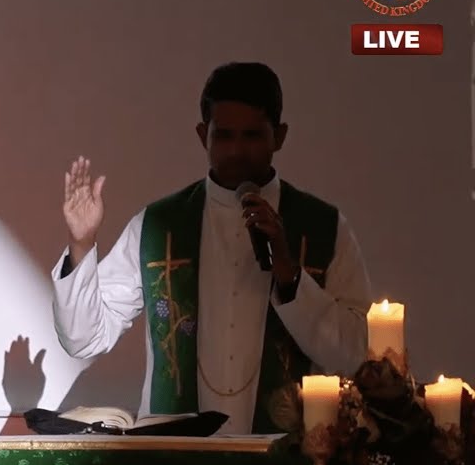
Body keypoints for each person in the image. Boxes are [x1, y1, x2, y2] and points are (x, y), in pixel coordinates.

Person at [49, 62, 371, 435]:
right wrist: (81, 243)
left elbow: (355, 354)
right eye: (224, 136)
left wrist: (288, 271)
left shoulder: (324, 227)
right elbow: (83, 338)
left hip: (285, 456)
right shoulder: (158, 225)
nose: (236, 151)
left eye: (252, 136)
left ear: (279, 136)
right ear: (203, 135)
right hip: (176, 458)